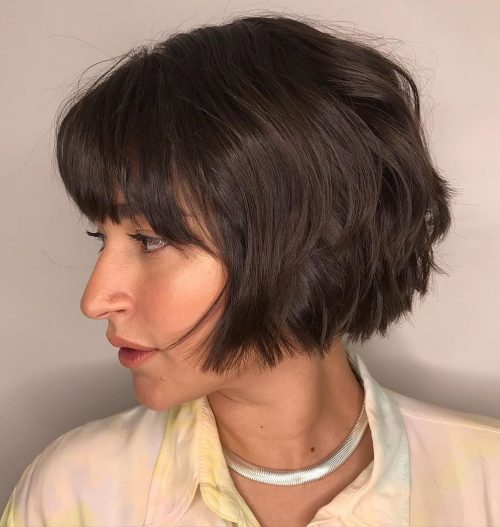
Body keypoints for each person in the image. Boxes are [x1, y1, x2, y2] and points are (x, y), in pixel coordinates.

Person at [2, 13, 500, 527]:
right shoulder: (72, 494)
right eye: (100, 239)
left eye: (151, 240)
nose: (95, 300)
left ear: (307, 240)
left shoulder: (487, 486)